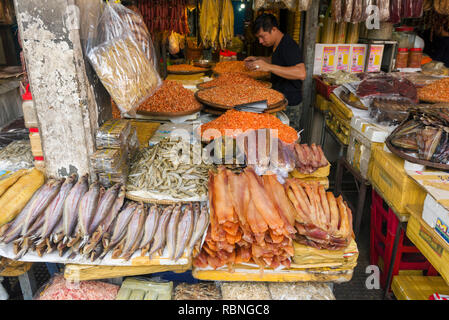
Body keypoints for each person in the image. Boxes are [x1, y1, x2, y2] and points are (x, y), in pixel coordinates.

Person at [245, 14, 306, 128]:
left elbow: (301, 73)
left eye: (262, 36)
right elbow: (276, 61)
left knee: (286, 141)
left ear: (274, 29)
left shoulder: (288, 45)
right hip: (279, 101)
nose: (260, 41)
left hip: (290, 105)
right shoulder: (277, 44)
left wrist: (268, 67)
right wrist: (258, 59)